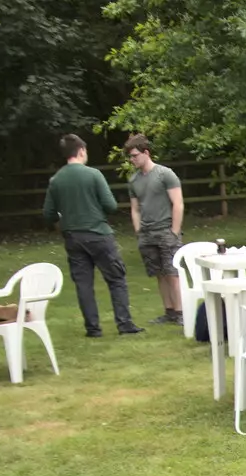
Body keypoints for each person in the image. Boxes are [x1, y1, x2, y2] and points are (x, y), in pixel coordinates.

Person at [43, 134, 142, 337]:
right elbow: (111, 205)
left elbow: (48, 214)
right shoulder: (93, 174)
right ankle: (124, 324)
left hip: (72, 237)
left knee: (83, 284)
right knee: (116, 278)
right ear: (81, 151)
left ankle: (93, 328)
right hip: (98, 234)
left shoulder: (56, 180)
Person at [125, 134, 185, 326]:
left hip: (166, 230)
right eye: (130, 157)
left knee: (172, 274)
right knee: (159, 274)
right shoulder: (133, 180)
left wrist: (174, 232)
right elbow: (135, 209)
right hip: (147, 234)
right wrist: (138, 231)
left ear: (146, 152)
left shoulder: (165, 174)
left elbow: (178, 203)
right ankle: (169, 312)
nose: (132, 160)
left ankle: (181, 312)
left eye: (135, 155)